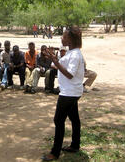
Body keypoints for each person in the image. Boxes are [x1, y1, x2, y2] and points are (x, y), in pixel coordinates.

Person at [42, 27, 85, 161]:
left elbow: (70, 74)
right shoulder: (71, 53)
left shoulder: (75, 55)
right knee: (74, 119)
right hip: (72, 92)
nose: (62, 38)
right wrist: (54, 59)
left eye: (64, 36)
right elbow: (60, 66)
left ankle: (55, 153)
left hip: (69, 93)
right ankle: (75, 145)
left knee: (58, 120)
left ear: (70, 39)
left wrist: (55, 61)